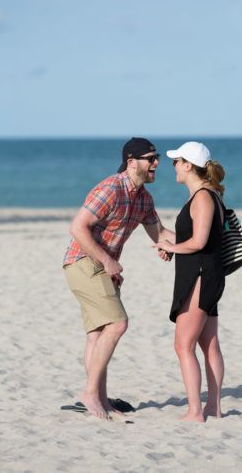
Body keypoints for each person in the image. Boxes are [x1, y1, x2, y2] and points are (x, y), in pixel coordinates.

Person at [63, 137, 174, 419]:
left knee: (97, 334)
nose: (157, 163)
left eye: (157, 157)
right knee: (117, 324)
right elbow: (78, 227)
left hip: (100, 268)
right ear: (132, 162)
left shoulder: (144, 199)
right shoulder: (111, 188)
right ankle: (89, 394)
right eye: (151, 158)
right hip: (83, 262)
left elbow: (160, 235)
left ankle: (99, 400)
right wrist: (108, 260)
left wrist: (193, 243)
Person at [153, 141, 225, 422]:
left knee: (183, 345)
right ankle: (213, 407)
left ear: (188, 165)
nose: (173, 166)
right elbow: (193, 240)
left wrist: (173, 248)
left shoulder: (204, 197)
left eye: (176, 161)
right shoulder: (203, 195)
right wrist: (171, 243)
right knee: (209, 344)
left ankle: (196, 411)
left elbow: (199, 241)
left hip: (200, 277)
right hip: (206, 274)